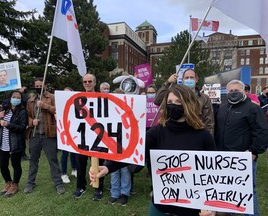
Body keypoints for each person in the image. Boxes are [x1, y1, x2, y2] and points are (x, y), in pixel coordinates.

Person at [90, 84, 216, 215]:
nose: (173, 105)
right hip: (160, 206)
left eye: (179, 102)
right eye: (170, 102)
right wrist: (108, 166)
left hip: (192, 208)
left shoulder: (203, 135)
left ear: (188, 104)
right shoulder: (156, 132)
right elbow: (133, 152)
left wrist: (211, 205)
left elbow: (214, 172)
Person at [215, 80, 268, 216]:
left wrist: (254, 151)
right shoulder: (222, 108)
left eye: (237, 90)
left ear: (244, 91)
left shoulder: (252, 108)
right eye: (231, 91)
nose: (234, 93)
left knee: (248, 191)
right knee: (229, 190)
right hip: (224, 158)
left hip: (245, 158)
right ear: (227, 92)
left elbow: (262, 131)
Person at [23, 77, 65, 194]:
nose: (38, 88)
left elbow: (59, 111)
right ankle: (30, 182)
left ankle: (58, 183)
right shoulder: (31, 100)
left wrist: (45, 106)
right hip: (35, 135)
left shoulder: (52, 97)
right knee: (33, 160)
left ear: (45, 86)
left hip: (49, 135)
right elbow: (27, 116)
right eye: (36, 86)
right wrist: (32, 122)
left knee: (53, 160)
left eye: (40, 86)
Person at [73, 73, 105, 201]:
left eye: (90, 81)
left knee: (99, 164)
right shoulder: (77, 99)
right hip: (82, 137)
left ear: (95, 82)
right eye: (85, 82)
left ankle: (99, 188)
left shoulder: (102, 98)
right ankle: (81, 186)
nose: (87, 83)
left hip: (98, 137)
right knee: (80, 164)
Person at [154, 69, 214, 135]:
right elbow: (157, 101)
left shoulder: (204, 98)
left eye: (191, 77)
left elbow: (209, 122)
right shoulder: (176, 95)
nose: (189, 79)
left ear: (196, 79)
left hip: (196, 134)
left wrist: (208, 139)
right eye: (186, 78)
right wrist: (168, 83)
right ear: (182, 80)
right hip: (176, 133)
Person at [0, 90, 28, 197]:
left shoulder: (22, 111)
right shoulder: (5, 110)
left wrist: (8, 124)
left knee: (16, 165)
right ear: (10, 98)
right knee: (3, 165)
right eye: (14, 97)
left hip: (15, 144)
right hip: (2, 143)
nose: (16, 99)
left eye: (18, 97)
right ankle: (8, 182)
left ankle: (15, 184)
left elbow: (22, 128)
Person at [60, 87, 77, 184]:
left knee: (74, 152)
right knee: (65, 153)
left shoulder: (74, 104)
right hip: (64, 132)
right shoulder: (60, 104)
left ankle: (74, 169)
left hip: (74, 132)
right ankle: (63, 173)